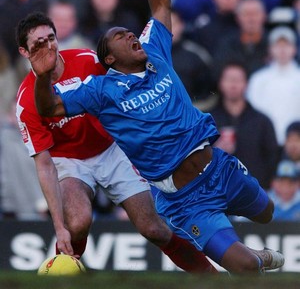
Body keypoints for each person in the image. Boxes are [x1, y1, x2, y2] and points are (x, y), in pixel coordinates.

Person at [30, 0, 284, 274]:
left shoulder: (156, 52)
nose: (132, 35)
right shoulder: (101, 89)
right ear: (108, 58)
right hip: (185, 200)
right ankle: (258, 257)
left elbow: (161, 4)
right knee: (245, 266)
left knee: (267, 213)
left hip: (220, 168)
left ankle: (252, 240)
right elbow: (51, 109)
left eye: (131, 32)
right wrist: (41, 77)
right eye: (120, 36)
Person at [16, 17, 217, 273]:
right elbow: (44, 165)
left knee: (153, 228)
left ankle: (212, 278)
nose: (48, 48)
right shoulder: (26, 102)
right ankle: (61, 275)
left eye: (51, 39)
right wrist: (59, 227)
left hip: (111, 148)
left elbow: (128, 84)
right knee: (76, 223)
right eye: (38, 44)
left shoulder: (88, 60)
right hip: (68, 160)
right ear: (24, 52)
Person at [209, 61, 279, 189]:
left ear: (246, 84)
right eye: (229, 79)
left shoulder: (262, 121)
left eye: (238, 80)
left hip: (255, 193)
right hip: (218, 194)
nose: (233, 84)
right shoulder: (208, 120)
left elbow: (273, 159)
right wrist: (214, 151)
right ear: (220, 83)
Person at [247, 26, 300, 149]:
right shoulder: (258, 79)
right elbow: (253, 111)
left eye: (286, 45)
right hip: (265, 143)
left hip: (295, 145)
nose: (282, 50)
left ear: (294, 49)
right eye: (278, 46)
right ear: (271, 49)